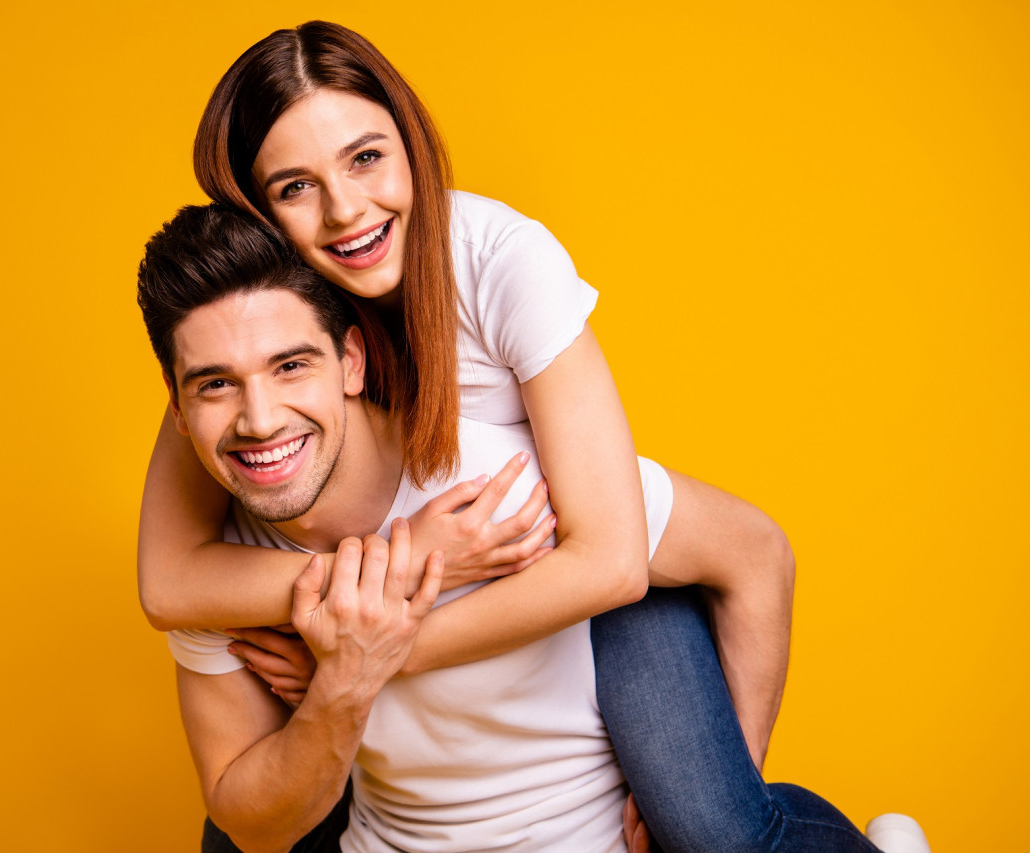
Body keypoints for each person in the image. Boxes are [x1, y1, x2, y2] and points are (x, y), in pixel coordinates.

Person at [136, 203, 923, 852]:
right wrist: (346, 676)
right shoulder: (222, 570)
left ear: (350, 361)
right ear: (178, 410)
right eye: (214, 384)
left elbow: (756, 551)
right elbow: (250, 822)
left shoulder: (509, 479)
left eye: (289, 365)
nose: (261, 417)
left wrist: (729, 807)